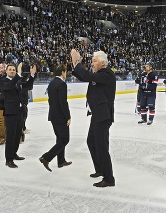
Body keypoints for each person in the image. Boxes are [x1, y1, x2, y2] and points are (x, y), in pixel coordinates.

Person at [71, 49, 116, 187]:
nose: (92, 63)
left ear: (103, 62)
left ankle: (109, 178)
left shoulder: (107, 74)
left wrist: (78, 62)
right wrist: (75, 64)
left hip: (103, 116)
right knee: (91, 142)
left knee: (102, 147)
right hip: (97, 115)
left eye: (94, 61)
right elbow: (84, 76)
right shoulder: (98, 75)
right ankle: (100, 169)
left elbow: (86, 75)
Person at [0, 63, 36, 168]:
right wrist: (18, 75)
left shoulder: (18, 81)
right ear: (6, 71)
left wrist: (32, 75)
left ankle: (14, 154)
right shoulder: (3, 81)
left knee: (17, 135)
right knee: (10, 136)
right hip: (11, 112)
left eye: (14, 70)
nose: (12, 71)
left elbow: (28, 86)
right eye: (10, 69)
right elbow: (10, 87)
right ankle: (8, 159)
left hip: (20, 111)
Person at [39, 64, 72, 172]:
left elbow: (50, 100)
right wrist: (68, 116)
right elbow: (63, 102)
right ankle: (46, 157)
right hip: (60, 117)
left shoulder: (52, 83)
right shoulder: (62, 84)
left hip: (53, 115)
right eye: (65, 71)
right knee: (65, 139)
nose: (66, 73)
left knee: (60, 138)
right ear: (62, 72)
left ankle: (61, 160)